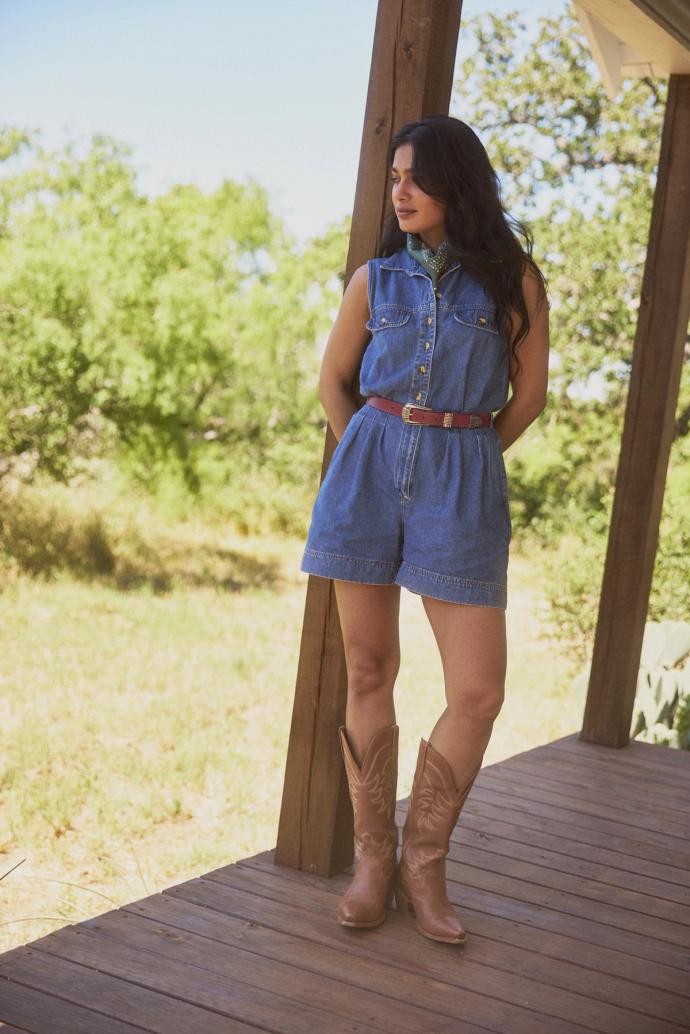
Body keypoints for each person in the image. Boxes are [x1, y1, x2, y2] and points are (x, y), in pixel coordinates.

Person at [300, 115, 550, 944]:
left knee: (478, 690)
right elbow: (334, 381)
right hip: (368, 465)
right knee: (369, 666)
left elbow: (528, 397)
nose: (399, 191)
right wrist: (369, 449)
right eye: (393, 176)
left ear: (458, 183)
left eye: (415, 176)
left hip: (462, 473)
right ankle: (375, 861)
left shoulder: (516, 282)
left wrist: (465, 453)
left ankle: (425, 862)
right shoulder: (374, 281)